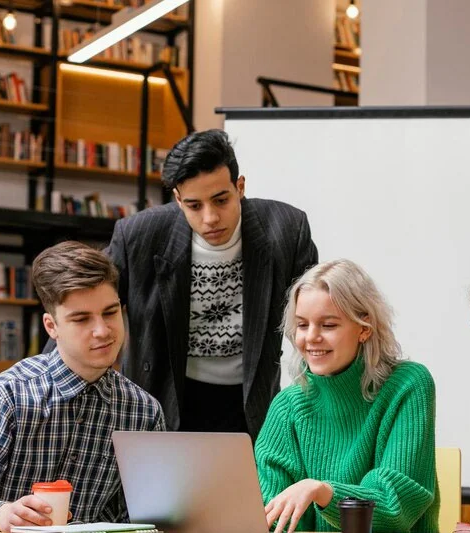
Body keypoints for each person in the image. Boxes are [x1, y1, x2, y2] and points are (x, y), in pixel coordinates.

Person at [96, 128, 316, 438]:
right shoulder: (140, 235)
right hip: (164, 397)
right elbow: (87, 301)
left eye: (220, 199)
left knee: (245, 488)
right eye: (194, 205)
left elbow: (315, 315)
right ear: (177, 199)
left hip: (250, 400)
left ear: (239, 187)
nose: (210, 218)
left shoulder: (286, 229)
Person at [0, 241, 165, 532]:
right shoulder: (8, 395)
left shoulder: (144, 412)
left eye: (110, 313)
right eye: (81, 319)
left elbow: (143, 517)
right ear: (52, 327)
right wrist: (0, 513)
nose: (102, 331)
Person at [254, 259, 439, 533]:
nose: (311, 337)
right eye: (302, 325)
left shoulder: (408, 385)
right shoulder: (287, 406)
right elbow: (271, 516)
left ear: (364, 328)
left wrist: (322, 491)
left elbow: (394, 508)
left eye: (328, 325)